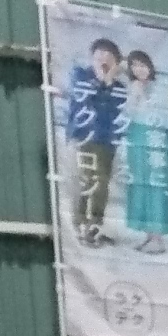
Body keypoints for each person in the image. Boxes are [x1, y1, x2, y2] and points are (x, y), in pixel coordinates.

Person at [62, 35, 125, 244]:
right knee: (86, 180)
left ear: (116, 61)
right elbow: (82, 98)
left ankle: (95, 227)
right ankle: (81, 227)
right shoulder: (80, 74)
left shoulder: (119, 87)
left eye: (109, 56)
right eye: (100, 54)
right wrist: (101, 81)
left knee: (102, 184)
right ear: (92, 57)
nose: (104, 59)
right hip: (84, 137)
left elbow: (119, 112)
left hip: (107, 140)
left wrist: (109, 83)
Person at [118, 46, 168, 251]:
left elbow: (167, 114)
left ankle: (158, 237)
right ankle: (148, 234)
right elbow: (127, 112)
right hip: (137, 135)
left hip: (156, 137)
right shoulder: (133, 86)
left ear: (150, 66)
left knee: (156, 185)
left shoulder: (160, 87)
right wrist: (134, 94)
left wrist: (142, 96)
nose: (139, 69)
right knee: (140, 183)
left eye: (142, 65)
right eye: (134, 66)